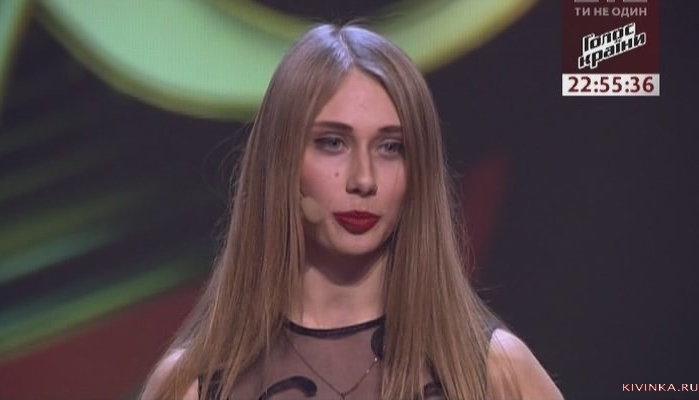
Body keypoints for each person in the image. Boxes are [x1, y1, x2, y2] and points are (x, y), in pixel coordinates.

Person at [141, 23, 564, 400]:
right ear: (282, 164)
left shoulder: (493, 371)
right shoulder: (195, 386)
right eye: (332, 143)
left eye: (391, 147)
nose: (363, 179)